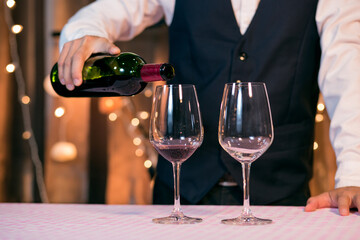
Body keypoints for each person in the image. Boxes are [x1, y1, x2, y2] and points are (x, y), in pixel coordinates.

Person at [56, 0, 360, 215]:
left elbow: (349, 75)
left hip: (282, 197)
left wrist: (354, 176)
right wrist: (84, 35)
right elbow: (107, 11)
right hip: (179, 193)